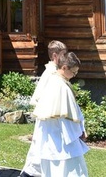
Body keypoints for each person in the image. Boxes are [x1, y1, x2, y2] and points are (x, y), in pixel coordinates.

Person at [30, 51, 88, 177]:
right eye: (73, 72)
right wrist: (79, 132)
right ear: (64, 67)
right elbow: (68, 118)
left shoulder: (56, 81)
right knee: (69, 170)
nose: (74, 75)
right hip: (62, 141)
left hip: (51, 140)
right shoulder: (61, 87)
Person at [21, 39, 67, 177]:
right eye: (63, 55)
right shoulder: (50, 74)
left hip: (52, 118)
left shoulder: (56, 72)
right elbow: (42, 97)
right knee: (40, 147)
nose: (65, 58)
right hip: (47, 118)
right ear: (55, 56)